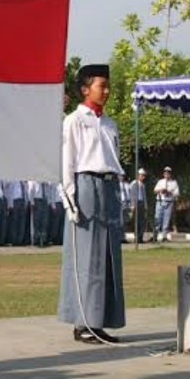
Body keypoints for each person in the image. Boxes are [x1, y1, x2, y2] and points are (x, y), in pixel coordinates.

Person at [58, 64, 125, 345]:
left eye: (108, 86)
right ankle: (82, 323)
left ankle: (99, 320)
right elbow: (67, 161)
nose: (107, 91)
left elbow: (114, 159)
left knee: (107, 255)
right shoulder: (74, 120)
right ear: (86, 89)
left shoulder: (109, 124)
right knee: (86, 257)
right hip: (85, 184)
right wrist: (69, 199)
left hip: (108, 185)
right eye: (101, 85)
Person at [153, 166, 180, 242]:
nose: (167, 174)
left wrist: (169, 192)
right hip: (160, 201)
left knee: (166, 219)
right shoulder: (160, 181)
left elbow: (177, 193)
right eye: (165, 173)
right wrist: (161, 190)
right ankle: (155, 235)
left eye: (168, 173)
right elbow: (155, 191)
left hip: (169, 202)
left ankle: (164, 236)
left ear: (170, 174)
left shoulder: (174, 183)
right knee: (157, 217)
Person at [130, 168, 148, 244]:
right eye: (142, 175)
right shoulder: (134, 183)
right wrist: (133, 205)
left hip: (141, 203)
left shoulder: (142, 185)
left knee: (141, 221)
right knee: (136, 221)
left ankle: (140, 237)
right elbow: (132, 195)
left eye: (144, 175)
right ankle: (136, 237)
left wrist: (145, 205)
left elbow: (144, 196)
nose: (143, 177)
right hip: (136, 203)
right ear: (138, 175)